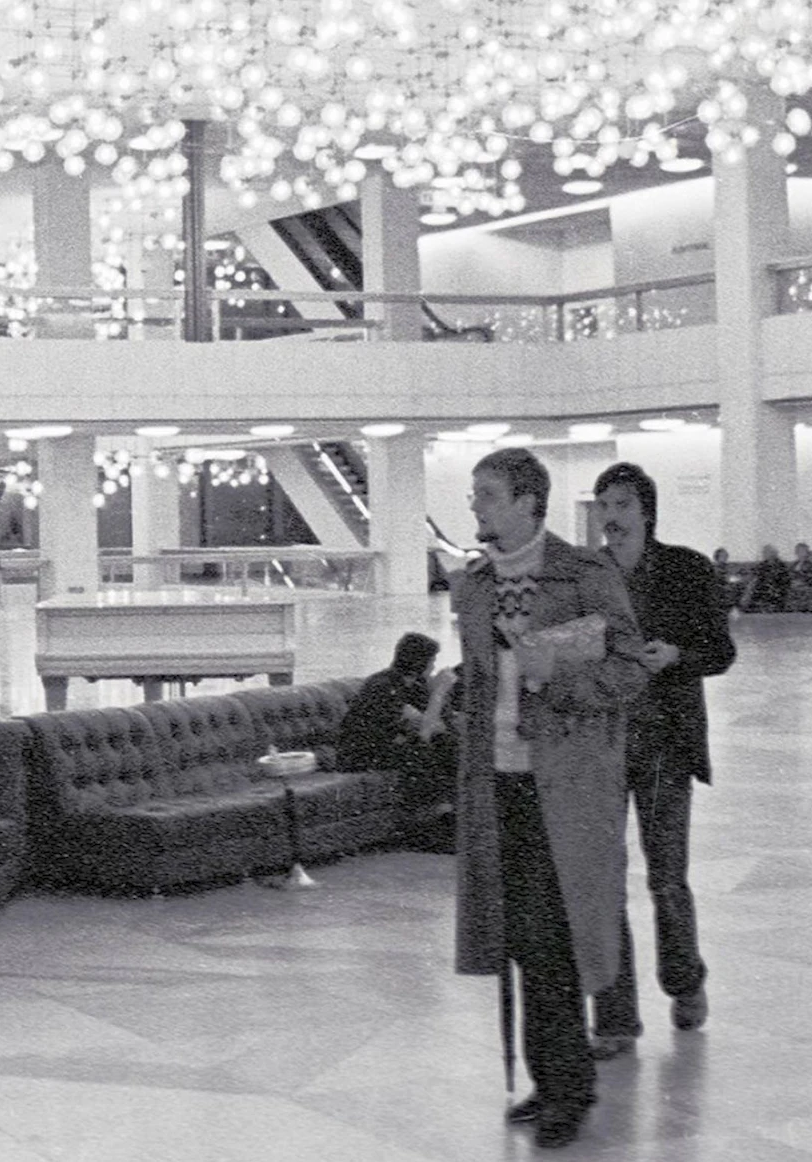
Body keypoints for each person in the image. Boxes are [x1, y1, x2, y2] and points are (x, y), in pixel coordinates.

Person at [453, 447, 646, 1150]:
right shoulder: (473, 585)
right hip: (495, 782)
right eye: (475, 494)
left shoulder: (585, 575)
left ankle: (567, 1085)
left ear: (529, 501)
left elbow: (629, 670)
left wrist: (553, 676)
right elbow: (480, 678)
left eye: (489, 495)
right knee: (520, 940)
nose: (476, 506)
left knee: (555, 938)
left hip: (565, 787)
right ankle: (554, 1078)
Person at [586, 463, 736, 1059]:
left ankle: (685, 982)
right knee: (603, 883)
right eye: (603, 504)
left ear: (646, 510)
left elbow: (721, 652)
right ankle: (616, 1020)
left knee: (666, 879)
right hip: (599, 745)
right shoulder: (587, 573)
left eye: (621, 503)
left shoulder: (687, 570)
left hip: (664, 747)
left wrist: (676, 655)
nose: (610, 515)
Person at [334, 632, 456, 825]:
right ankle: (432, 820)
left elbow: (438, 726)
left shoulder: (415, 684)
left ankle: (452, 812)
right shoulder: (382, 685)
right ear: (419, 661)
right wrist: (438, 693)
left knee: (448, 743)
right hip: (360, 753)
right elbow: (424, 732)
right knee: (420, 752)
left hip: (392, 746)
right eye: (431, 660)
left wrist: (436, 698)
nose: (433, 666)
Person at [739, 544, 793, 612]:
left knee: (752, 589)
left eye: (766, 552)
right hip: (762, 587)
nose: (764, 554)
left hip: (776, 588)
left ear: (773, 553)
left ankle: (743, 608)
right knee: (748, 587)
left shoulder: (780, 565)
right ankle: (742, 608)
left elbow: (783, 579)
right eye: (763, 552)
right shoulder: (763, 564)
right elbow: (754, 573)